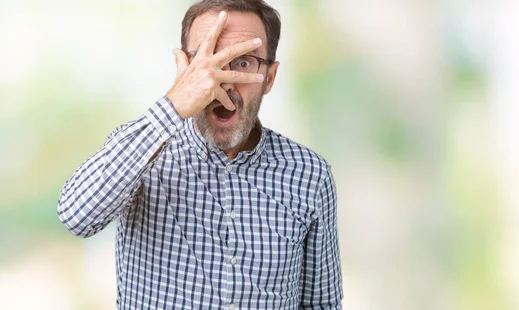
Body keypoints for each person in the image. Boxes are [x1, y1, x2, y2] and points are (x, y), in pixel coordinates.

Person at [57, 0, 342, 309]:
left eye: (243, 62)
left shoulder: (311, 174)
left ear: (270, 78)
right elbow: (76, 217)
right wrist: (175, 103)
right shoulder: (141, 152)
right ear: (185, 70)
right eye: (207, 61)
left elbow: (321, 304)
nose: (224, 82)